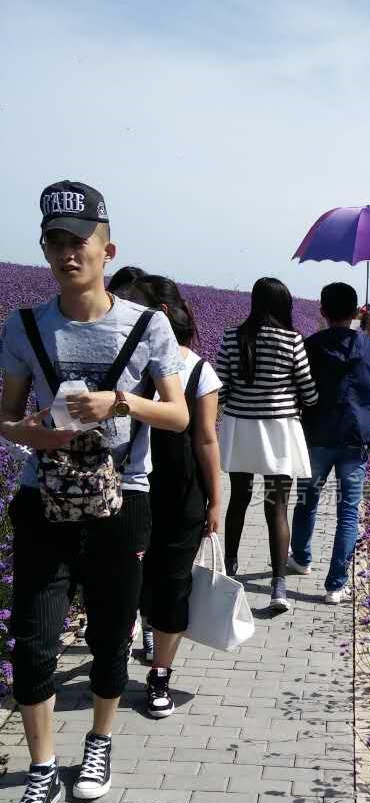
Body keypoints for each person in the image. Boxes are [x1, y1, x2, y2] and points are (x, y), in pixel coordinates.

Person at [0, 181, 188, 803]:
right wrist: (34, 434)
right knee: (34, 636)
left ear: (107, 249)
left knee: (111, 633)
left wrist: (122, 404)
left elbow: (180, 413)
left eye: (77, 241)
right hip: (42, 495)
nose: (65, 252)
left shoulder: (148, 324)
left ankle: (100, 741)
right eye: (53, 240)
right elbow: (6, 417)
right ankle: (42, 768)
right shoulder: (23, 326)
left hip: (122, 500)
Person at [109, 274, 222, 717]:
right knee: (129, 580)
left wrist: (216, 501)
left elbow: (207, 440)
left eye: (137, 308)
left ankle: (160, 676)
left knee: (174, 585)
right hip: (126, 488)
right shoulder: (122, 365)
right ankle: (137, 637)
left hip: (180, 494)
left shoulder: (197, 370)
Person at [289, 282, 370, 603]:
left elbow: (297, 383)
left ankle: (301, 558)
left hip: (318, 435)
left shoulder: (310, 345)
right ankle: (336, 585)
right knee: (348, 512)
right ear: (355, 313)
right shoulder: (368, 345)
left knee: (307, 498)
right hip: (355, 439)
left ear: (322, 311)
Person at [215, 277, 317, 613]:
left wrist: (240, 404)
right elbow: (308, 389)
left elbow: (222, 385)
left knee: (239, 499)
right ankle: (278, 587)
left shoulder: (232, 335)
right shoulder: (292, 340)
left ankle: (228, 570)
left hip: (241, 428)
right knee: (277, 506)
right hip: (279, 431)